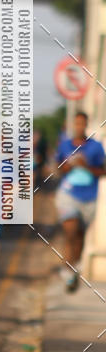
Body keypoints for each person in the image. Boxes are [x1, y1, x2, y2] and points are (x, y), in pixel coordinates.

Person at [55, 111, 105, 292]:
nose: (78, 127)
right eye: (75, 124)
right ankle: (67, 267)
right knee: (71, 229)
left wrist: (86, 166)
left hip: (89, 197)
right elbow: (57, 168)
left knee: (79, 237)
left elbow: (103, 171)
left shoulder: (96, 147)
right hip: (68, 195)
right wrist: (67, 166)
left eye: (81, 124)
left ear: (86, 125)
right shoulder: (65, 145)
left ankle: (71, 267)